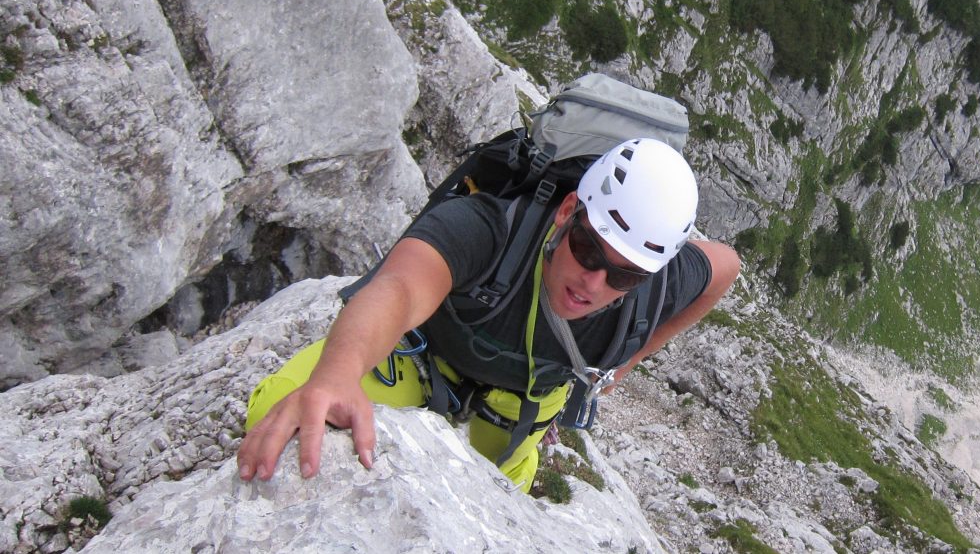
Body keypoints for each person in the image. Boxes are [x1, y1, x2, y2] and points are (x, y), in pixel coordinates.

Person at [236, 138, 740, 491]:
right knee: (281, 420)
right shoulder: (495, 230)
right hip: (426, 357)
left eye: (624, 276)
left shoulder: (658, 283)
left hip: (523, 397)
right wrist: (336, 376)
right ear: (567, 212)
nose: (595, 282)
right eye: (588, 248)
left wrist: (631, 361)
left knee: (500, 488)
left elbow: (725, 266)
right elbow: (400, 287)